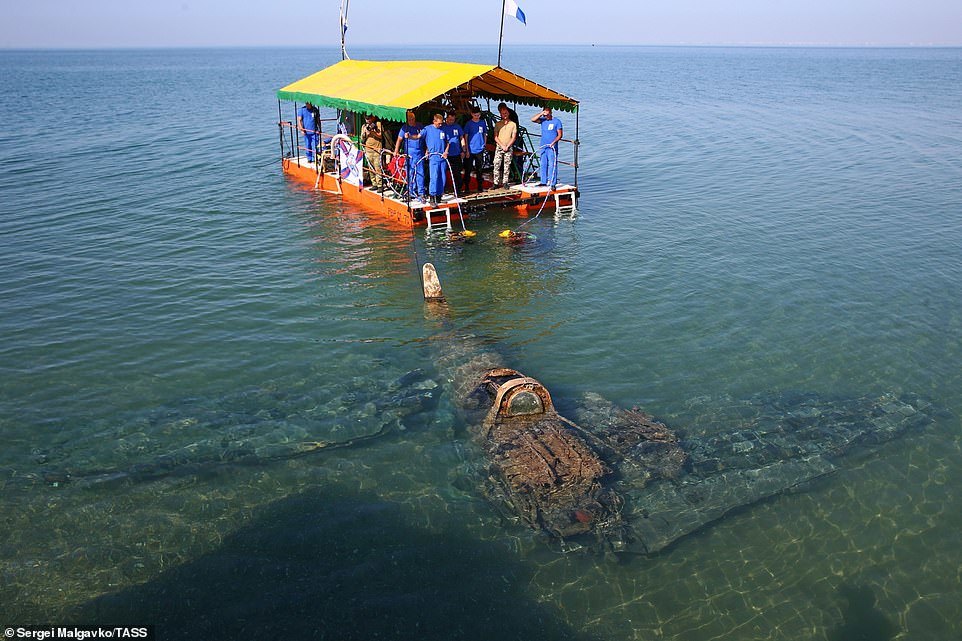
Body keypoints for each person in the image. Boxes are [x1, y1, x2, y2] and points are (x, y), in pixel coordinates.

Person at [393, 110, 426, 201]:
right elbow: (399, 139)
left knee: (420, 173)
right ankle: (411, 191)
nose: (411, 121)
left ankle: (421, 192)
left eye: (412, 119)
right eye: (409, 119)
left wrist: (427, 150)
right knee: (410, 173)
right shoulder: (404, 128)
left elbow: (424, 138)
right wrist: (396, 151)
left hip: (419, 153)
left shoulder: (420, 126)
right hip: (409, 154)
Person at [421, 113, 450, 206]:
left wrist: (446, 152)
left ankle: (439, 196)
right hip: (433, 157)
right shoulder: (427, 129)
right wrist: (426, 150)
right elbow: (419, 137)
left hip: (442, 157)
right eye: (439, 123)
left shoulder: (444, 129)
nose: (440, 125)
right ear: (434, 121)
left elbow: (448, 141)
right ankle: (432, 197)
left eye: (441, 123)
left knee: (442, 177)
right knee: (434, 177)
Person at [531, 106, 563, 188]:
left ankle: (553, 183)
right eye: (545, 115)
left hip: (552, 147)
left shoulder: (557, 121)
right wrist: (541, 113)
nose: (546, 116)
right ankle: (543, 181)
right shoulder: (543, 120)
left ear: (551, 113)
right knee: (543, 164)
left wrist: (554, 142)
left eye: (547, 114)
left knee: (552, 164)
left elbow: (560, 135)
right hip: (543, 146)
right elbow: (533, 119)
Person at [462, 106, 488, 193]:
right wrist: (467, 150)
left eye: (478, 115)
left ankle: (480, 186)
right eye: (475, 115)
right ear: (472, 114)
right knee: (468, 169)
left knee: (479, 169)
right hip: (470, 149)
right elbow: (466, 136)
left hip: (479, 149)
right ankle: (466, 187)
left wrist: (484, 144)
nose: (477, 117)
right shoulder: (469, 124)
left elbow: (485, 134)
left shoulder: (482, 122)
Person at [492, 104, 518, 189]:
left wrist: (508, 146)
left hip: (508, 147)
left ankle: (505, 182)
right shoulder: (498, 124)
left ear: (508, 113)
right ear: (500, 114)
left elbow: (514, 137)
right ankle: (495, 183)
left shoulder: (513, 124)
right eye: (503, 113)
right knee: (496, 164)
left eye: (506, 113)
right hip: (500, 146)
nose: (504, 115)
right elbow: (495, 136)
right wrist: (502, 145)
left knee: (507, 165)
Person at [441, 112, 466, 194]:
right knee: (443, 172)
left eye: (453, 119)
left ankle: (458, 190)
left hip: (456, 153)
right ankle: (444, 189)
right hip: (446, 154)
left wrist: (463, 149)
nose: (452, 121)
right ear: (447, 118)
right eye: (450, 119)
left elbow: (461, 138)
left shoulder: (457, 126)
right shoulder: (442, 127)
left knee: (457, 173)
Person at [360, 114, 384, 189]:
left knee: (378, 167)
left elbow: (381, 136)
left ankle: (380, 185)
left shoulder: (378, 124)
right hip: (368, 150)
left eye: (369, 119)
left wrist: (373, 132)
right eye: (366, 119)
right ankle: (374, 184)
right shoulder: (364, 127)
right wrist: (366, 134)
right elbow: (362, 140)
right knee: (370, 167)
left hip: (377, 149)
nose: (368, 120)